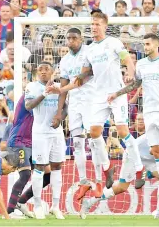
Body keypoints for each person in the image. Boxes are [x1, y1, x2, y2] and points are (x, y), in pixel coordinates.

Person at [48, 12, 144, 194]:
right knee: (94, 133)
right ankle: (108, 168)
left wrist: (131, 72)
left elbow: (126, 59)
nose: (93, 27)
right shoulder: (90, 49)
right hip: (99, 96)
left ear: (104, 26)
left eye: (97, 24)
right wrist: (61, 89)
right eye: (92, 24)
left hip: (116, 93)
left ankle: (139, 169)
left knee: (123, 132)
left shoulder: (113, 43)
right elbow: (82, 77)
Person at [106, 33, 159, 217]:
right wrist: (117, 93)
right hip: (149, 113)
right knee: (157, 152)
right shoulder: (141, 65)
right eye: (144, 44)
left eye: (148, 44)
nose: (145, 47)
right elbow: (136, 84)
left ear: (157, 45)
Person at [55, 28, 99, 199]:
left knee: (93, 141)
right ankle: (83, 181)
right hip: (74, 104)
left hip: (91, 100)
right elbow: (63, 88)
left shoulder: (89, 52)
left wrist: (80, 76)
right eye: (69, 38)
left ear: (81, 39)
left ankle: (98, 179)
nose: (71, 41)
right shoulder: (64, 61)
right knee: (77, 143)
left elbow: (92, 72)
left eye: (74, 38)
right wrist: (59, 112)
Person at [81, 134, 159, 219]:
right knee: (121, 187)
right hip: (134, 155)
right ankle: (89, 202)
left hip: (152, 159)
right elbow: (153, 150)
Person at [24, 62, 66, 219]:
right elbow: (28, 106)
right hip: (40, 133)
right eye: (40, 69)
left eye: (46, 69)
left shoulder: (59, 87)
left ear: (52, 72)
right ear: (36, 72)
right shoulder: (31, 87)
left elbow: (65, 107)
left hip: (56, 132)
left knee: (57, 166)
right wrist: (45, 93)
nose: (43, 72)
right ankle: (37, 205)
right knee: (40, 167)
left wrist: (60, 117)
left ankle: (55, 206)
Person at [4, 94, 35, 219]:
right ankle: (9, 211)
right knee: (25, 174)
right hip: (18, 141)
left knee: (46, 173)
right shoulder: (30, 95)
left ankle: (21, 201)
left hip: (32, 142)